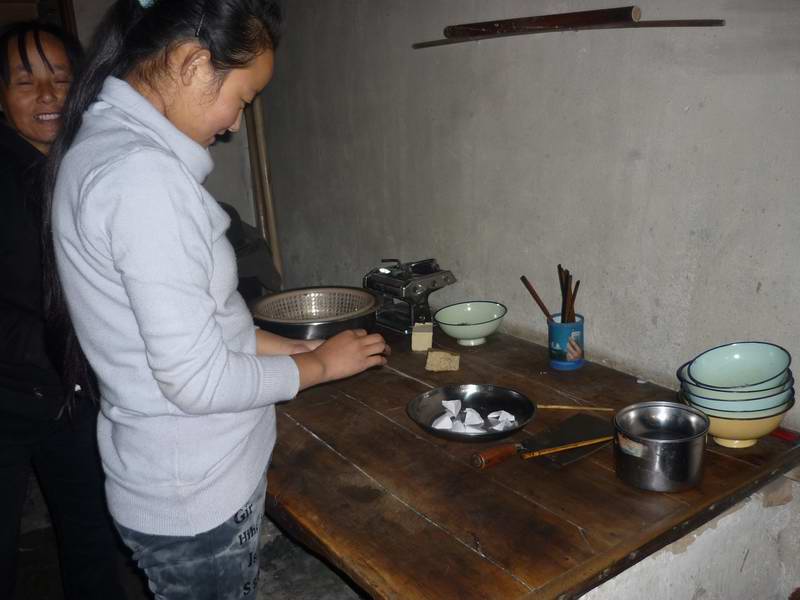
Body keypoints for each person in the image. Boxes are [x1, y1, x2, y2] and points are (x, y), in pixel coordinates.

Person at [42, 1, 389, 598]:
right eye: (243, 98)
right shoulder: (142, 179)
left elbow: (199, 325)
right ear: (194, 63)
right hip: (195, 494)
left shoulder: (108, 149)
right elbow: (196, 380)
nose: (234, 124)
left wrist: (293, 349)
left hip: (178, 475)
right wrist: (319, 367)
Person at [0, 21, 129, 600]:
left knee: (92, 540)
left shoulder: (90, 163)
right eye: (25, 81)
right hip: (8, 394)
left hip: (72, 396)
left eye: (60, 77)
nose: (48, 95)